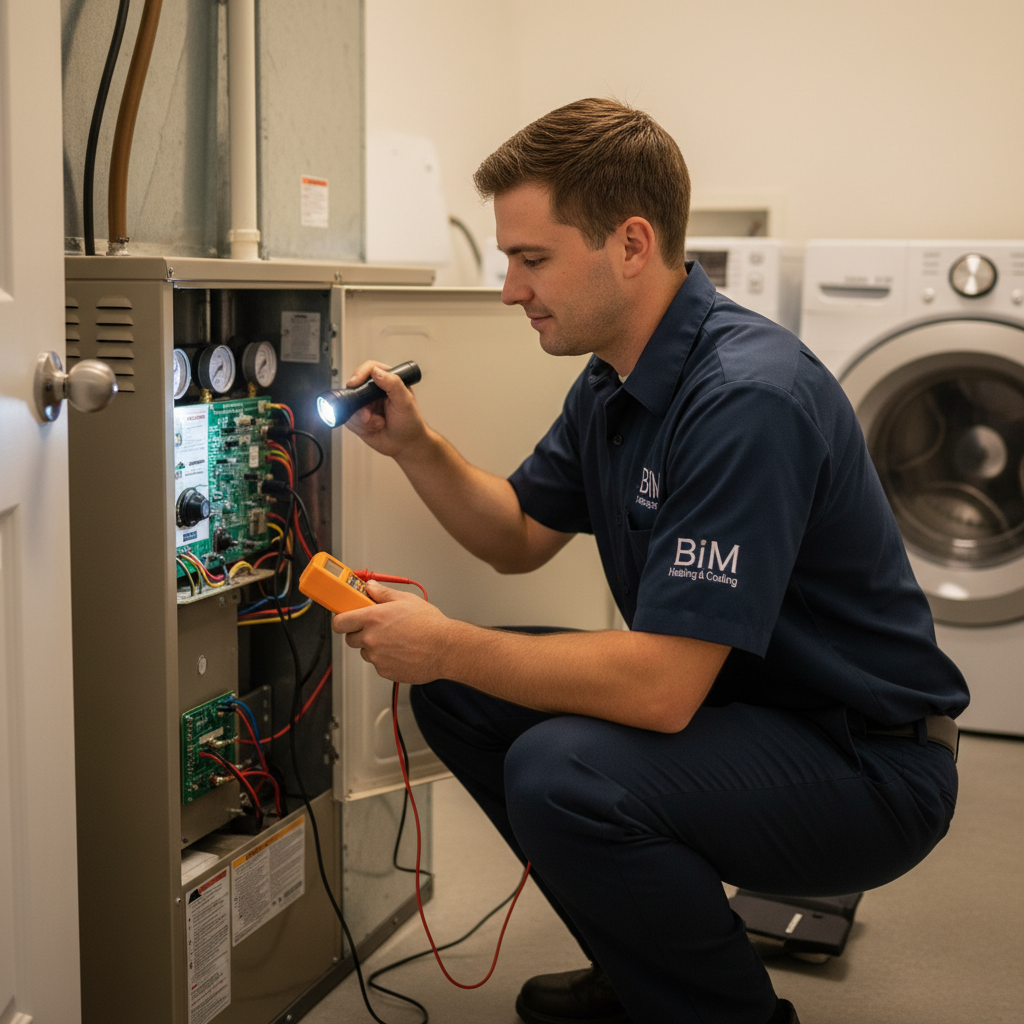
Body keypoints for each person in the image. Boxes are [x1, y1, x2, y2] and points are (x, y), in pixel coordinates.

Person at [332, 98, 968, 1024]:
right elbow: (516, 533)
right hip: (751, 716)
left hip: (867, 765)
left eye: (532, 258)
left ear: (631, 243)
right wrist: (417, 445)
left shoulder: (747, 398)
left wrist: (446, 640)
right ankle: (645, 962)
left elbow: (662, 689)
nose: (511, 288)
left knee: (562, 769)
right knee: (462, 698)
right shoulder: (615, 382)